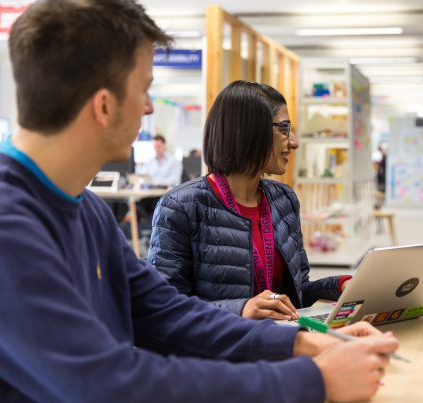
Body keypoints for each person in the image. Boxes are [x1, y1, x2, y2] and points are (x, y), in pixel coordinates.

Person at [0, 1, 400, 403]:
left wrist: (307, 342)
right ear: (104, 106)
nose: (150, 107)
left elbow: (168, 314)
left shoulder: (86, 210)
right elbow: (109, 385)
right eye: (144, 89)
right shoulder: (10, 228)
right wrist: (313, 378)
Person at [149, 81, 352, 321]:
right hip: (221, 350)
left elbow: (294, 295)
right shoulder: (181, 207)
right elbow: (163, 309)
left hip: (281, 341)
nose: (294, 142)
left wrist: (340, 285)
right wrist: (241, 309)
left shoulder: (284, 200)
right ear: (250, 131)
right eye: (284, 129)